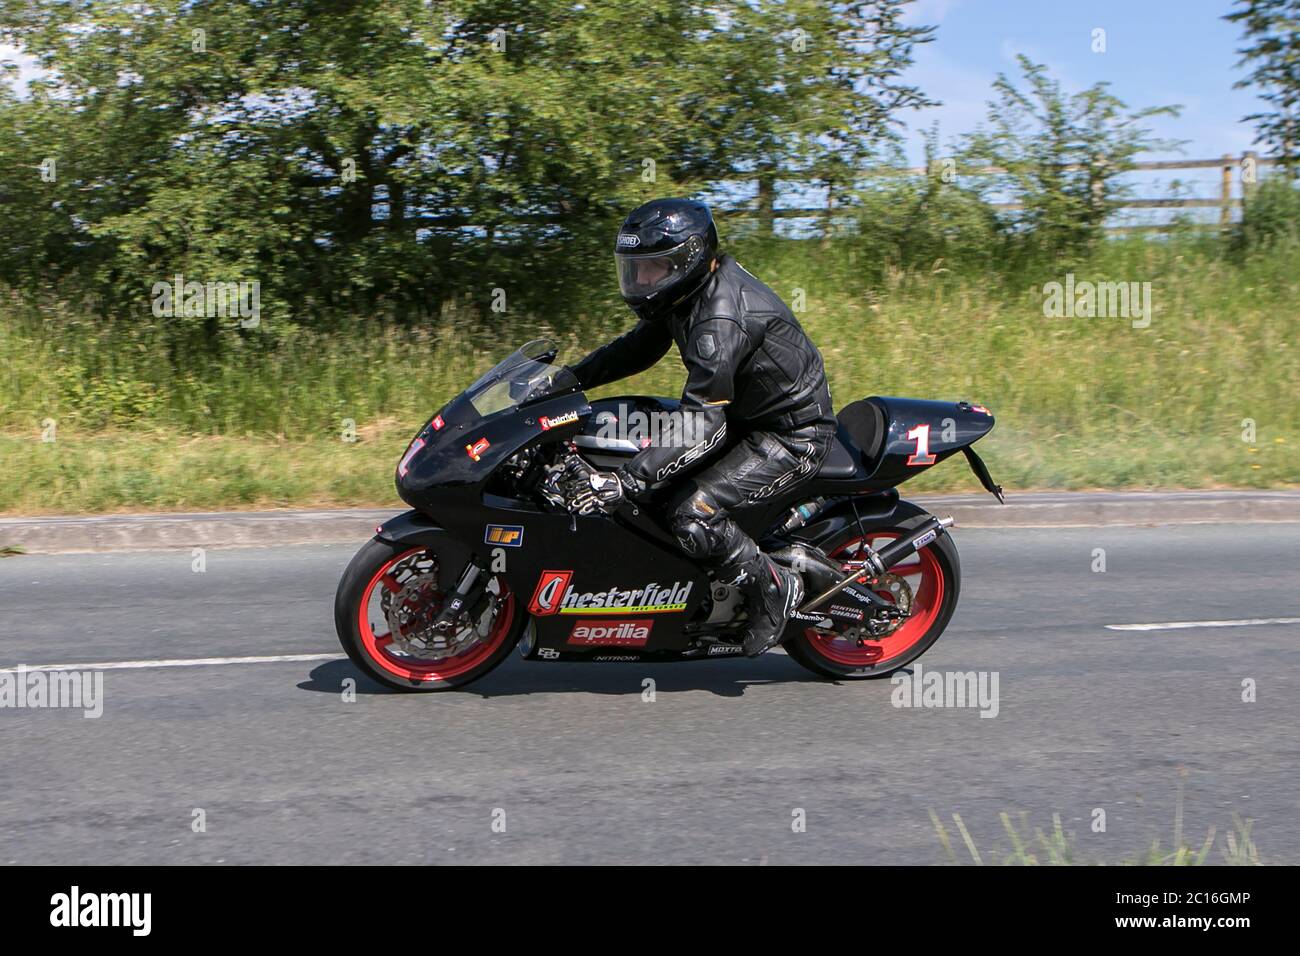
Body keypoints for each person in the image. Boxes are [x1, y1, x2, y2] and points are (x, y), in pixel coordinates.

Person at [563, 198, 835, 657]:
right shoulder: (687, 293)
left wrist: (625, 481)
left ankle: (775, 589)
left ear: (687, 259)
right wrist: (568, 380)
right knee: (648, 474)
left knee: (692, 513)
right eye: (636, 269)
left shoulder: (720, 318)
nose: (642, 280)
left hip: (791, 436)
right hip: (746, 420)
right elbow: (637, 349)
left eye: (652, 268)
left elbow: (700, 417)